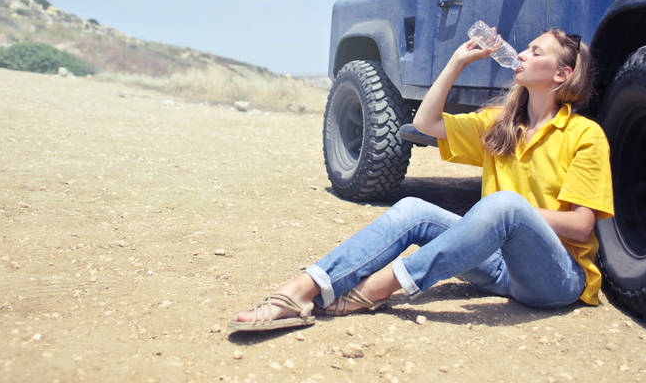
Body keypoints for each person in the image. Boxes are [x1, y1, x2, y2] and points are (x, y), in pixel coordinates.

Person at [229, 28, 613, 332]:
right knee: (413, 209)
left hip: (555, 277)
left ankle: (381, 286)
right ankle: (303, 289)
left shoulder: (585, 135)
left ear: (562, 74)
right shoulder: (501, 125)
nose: (523, 54)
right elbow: (425, 123)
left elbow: (581, 226)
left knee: (505, 206)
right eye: (526, 49)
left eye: (536, 52)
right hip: (497, 267)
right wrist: (457, 62)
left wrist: (507, 216)